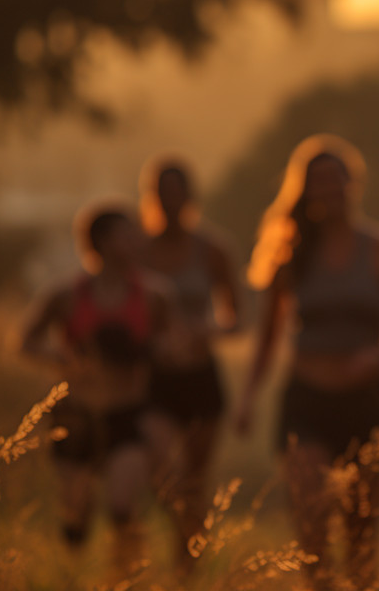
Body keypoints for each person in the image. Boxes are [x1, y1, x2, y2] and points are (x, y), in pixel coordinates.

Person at [236, 135, 379, 591]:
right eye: (315, 184)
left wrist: (378, 355)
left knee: (360, 533)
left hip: (367, 401)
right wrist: (247, 396)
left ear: (352, 185)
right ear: (304, 192)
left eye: (334, 181)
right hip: (306, 400)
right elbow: (267, 337)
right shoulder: (290, 256)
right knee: (312, 523)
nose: (326, 191)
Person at [22, 205, 174, 580]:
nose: (137, 240)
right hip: (76, 414)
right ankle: (74, 576)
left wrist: (156, 351)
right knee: (76, 518)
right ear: (102, 242)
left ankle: (125, 580)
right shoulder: (65, 295)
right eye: (127, 234)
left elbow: (173, 343)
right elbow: (26, 341)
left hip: (128, 413)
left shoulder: (155, 295)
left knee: (122, 507)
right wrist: (62, 357)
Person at [138, 156, 241, 573]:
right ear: (153, 199)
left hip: (201, 377)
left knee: (195, 482)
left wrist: (206, 331)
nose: (171, 203)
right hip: (155, 380)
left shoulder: (213, 249)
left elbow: (237, 317)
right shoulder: (138, 252)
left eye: (178, 195)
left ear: (190, 198)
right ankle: (182, 544)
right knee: (169, 475)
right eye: (163, 195)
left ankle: (187, 564)